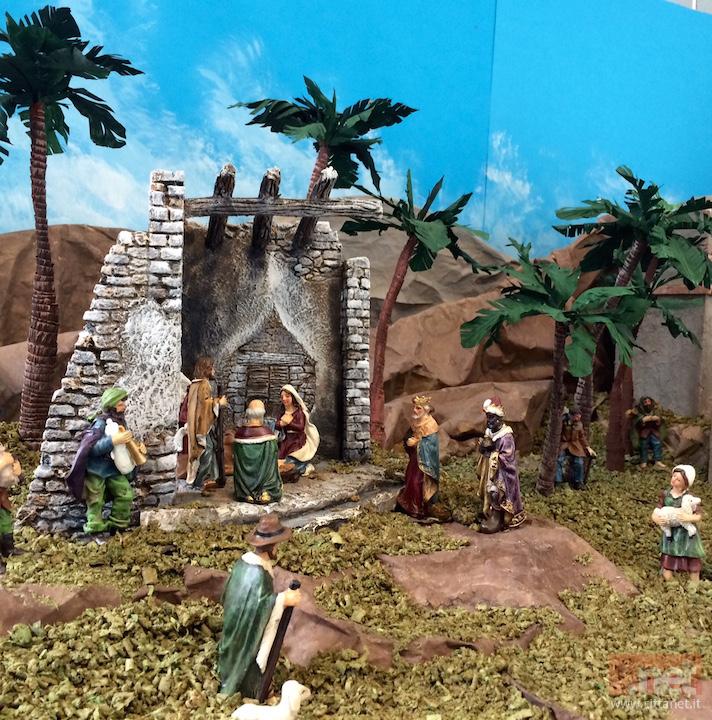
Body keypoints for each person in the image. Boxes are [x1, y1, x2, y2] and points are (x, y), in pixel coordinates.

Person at [219, 513, 301, 698]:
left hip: (235, 628)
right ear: (271, 546)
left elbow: (229, 595)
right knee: (249, 666)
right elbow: (257, 607)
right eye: (277, 544)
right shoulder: (258, 574)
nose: (278, 548)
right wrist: (283, 600)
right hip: (243, 636)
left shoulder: (242, 563)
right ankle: (247, 688)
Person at [65, 387, 144, 534]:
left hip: (114, 469)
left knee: (125, 494)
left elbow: (122, 448)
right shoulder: (100, 424)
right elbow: (92, 448)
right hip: (97, 469)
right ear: (112, 405)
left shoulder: (120, 422)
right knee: (95, 500)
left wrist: (135, 448)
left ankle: (118, 524)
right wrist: (113, 441)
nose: (124, 406)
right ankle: (94, 527)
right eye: (120, 403)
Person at [395, 395, 451, 522]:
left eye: (418, 408)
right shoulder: (416, 421)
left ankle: (418, 508)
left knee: (417, 482)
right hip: (416, 458)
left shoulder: (430, 425)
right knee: (410, 478)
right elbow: (411, 434)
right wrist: (408, 441)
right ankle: (409, 504)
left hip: (425, 461)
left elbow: (430, 446)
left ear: (426, 410)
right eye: (415, 407)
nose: (415, 410)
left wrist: (416, 443)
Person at [475, 397, 526, 533]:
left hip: (502, 472)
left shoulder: (506, 437)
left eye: (492, 417)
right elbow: (484, 448)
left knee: (495, 491)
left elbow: (507, 458)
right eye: (488, 417)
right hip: (490, 469)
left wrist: (493, 452)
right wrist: (483, 447)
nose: (489, 421)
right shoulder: (490, 432)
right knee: (487, 489)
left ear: (499, 418)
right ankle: (489, 511)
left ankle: (498, 517)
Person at [652, 464, 705, 586]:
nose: (674, 480)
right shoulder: (666, 494)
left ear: (685, 483)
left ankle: (694, 581)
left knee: (692, 556)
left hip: (687, 533)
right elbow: (656, 510)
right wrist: (657, 519)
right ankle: (670, 579)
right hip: (671, 531)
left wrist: (688, 517)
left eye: (678, 479)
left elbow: (698, 515)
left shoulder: (689, 498)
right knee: (669, 555)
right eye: (674, 476)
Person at [185, 356, 227, 491]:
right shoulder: (203, 384)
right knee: (207, 451)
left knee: (210, 448)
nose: (214, 371)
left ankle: (207, 479)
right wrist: (218, 403)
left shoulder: (197, 383)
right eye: (212, 368)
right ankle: (199, 482)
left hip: (199, 424)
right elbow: (204, 405)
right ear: (206, 369)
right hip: (201, 426)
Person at [233, 399, 283, 504]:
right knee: (271, 467)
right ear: (262, 414)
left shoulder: (239, 435)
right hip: (265, 478)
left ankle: (245, 493)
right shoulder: (268, 436)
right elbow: (271, 462)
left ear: (248, 413)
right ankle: (266, 491)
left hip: (244, 483)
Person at [275, 385, 319, 481]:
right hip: (286, 440)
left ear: (293, 397)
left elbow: (300, 427)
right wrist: (281, 424)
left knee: (291, 461)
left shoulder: (299, 412)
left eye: (287, 396)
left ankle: (304, 468)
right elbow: (277, 425)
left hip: (296, 441)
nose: (284, 399)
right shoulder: (282, 411)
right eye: (282, 397)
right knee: (278, 461)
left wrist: (289, 422)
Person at [555, 407, 594, 489]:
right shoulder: (563, 421)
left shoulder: (579, 424)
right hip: (564, 444)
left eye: (579, 417)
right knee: (558, 460)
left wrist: (587, 447)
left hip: (575, 445)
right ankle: (558, 480)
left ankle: (578, 482)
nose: (578, 418)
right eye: (576, 416)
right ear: (571, 415)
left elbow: (582, 437)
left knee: (579, 462)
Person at [0, 446, 24, 575]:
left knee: (5, 521)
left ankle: (8, 548)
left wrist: (16, 470)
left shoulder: (5, 456)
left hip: (1, 495)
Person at [627, 396, 666, 469]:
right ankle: (644, 461)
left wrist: (657, 419)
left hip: (654, 432)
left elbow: (661, 422)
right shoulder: (639, 412)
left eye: (649, 402)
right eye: (645, 402)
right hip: (644, 433)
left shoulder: (655, 411)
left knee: (657, 444)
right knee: (643, 446)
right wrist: (643, 420)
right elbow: (636, 423)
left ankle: (658, 460)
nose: (648, 403)